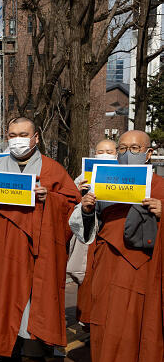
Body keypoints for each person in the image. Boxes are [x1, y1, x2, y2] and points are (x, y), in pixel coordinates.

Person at [0, 117, 80, 362]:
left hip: (38, 248)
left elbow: (72, 203)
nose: (16, 140)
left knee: (36, 300)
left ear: (36, 138)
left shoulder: (52, 169)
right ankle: (7, 352)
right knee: (4, 297)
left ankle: (36, 358)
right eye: (12, 135)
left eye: (23, 134)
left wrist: (49, 198)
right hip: (4, 246)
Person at [69, 130, 164, 362]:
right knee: (106, 333)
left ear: (149, 154)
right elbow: (86, 229)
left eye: (134, 149)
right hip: (106, 270)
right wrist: (87, 209)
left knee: (137, 334)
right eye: (121, 149)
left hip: (143, 274)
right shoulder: (104, 184)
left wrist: (162, 212)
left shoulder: (160, 187)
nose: (127, 155)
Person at [67, 139, 117, 324]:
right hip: (89, 236)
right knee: (88, 278)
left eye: (109, 151)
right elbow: (70, 207)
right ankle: (87, 319)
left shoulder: (123, 177)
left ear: (116, 154)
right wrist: (77, 193)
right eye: (100, 151)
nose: (104, 154)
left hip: (113, 234)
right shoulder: (83, 179)